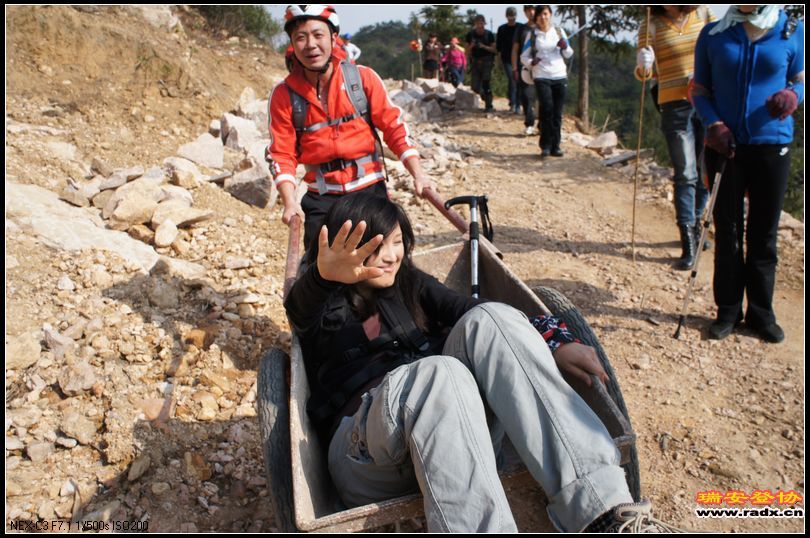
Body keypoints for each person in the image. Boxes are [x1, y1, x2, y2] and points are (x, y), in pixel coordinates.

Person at [285, 192, 686, 532]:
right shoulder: (329, 304)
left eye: (396, 242)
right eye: (376, 246)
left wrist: (551, 340)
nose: (390, 256)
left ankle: (603, 512)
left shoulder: (409, 282)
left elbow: (477, 309)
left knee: (486, 319)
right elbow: (301, 313)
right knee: (439, 372)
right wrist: (323, 276)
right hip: (369, 456)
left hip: (455, 429)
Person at [267, 5, 435, 249]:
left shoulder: (362, 79)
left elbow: (394, 128)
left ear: (334, 38)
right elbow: (281, 153)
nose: (310, 44)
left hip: (369, 190)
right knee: (320, 273)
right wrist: (289, 201)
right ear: (292, 44)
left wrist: (419, 174)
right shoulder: (284, 95)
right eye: (301, 37)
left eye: (318, 35)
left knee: (386, 264)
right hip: (322, 197)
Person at [692, 5, 804, 343]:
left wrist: (791, 96)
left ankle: (761, 313)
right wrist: (713, 124)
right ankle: (727, 310)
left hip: (772, 145)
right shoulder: (714, 34)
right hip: (724, 145)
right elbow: (699, 90)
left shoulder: (791, 29)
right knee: (727, 229)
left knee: (763, 232)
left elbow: (801, 81)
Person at [636, 6, 716, 271]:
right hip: (673, 105)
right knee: (685, 172)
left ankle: (694, 223)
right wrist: (643, 64)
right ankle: (688, 242)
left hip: (708, 101)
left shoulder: (703, 14)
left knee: (707, 170)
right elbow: (644, 75)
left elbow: (721, 49)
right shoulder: (651, 24)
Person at [520, 5, 573, 158]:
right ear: (535, 17)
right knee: (546, 108)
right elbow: (524, 56)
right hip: (541, 75)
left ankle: (556, 146)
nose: (543, 17)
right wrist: (532, 62)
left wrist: (564, 47)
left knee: (557, 112)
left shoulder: (559, 32)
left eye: (545, 14)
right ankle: (545, 145)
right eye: (540, 15)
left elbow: (569, 53)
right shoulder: (532, 35)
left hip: (559, 75)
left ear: (550, 15)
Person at [512, 5, 537, 135]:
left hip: (542, 67)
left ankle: (543, 125)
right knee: (526, 96)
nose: (531, 12)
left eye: (533, 9)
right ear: (525, 12)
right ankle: (529, 123)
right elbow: (515, 49)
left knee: (543, 97)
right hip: (525, 66)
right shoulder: (521, 29)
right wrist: (515, 68)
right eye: (528, 10)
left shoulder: (544, 28)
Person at [466, 15, 497, 112]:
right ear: (475, 24)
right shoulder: (470, 35)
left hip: (487, 60)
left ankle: (489, 106)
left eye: (481, 23)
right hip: (475, 61)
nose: (480, 25)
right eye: (478, 23)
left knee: (486, 83)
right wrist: (472, 45)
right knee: (475, 86)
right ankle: (484, 95)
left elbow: (494, 50)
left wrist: (484, 46)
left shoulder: (489, 34)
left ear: (484, 23)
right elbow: (466, 51)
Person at [497, 7, 521, 113]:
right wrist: (498, 61)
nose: (511, 18)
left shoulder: (521, 27)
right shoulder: (502, 29)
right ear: (506, 16)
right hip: (507, 59)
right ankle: (513, 103)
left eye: (513, 16)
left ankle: (518, 104)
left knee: (519, 81)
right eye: (510, 16)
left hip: (520, 59)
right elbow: (498, 47)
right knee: (512, 79)